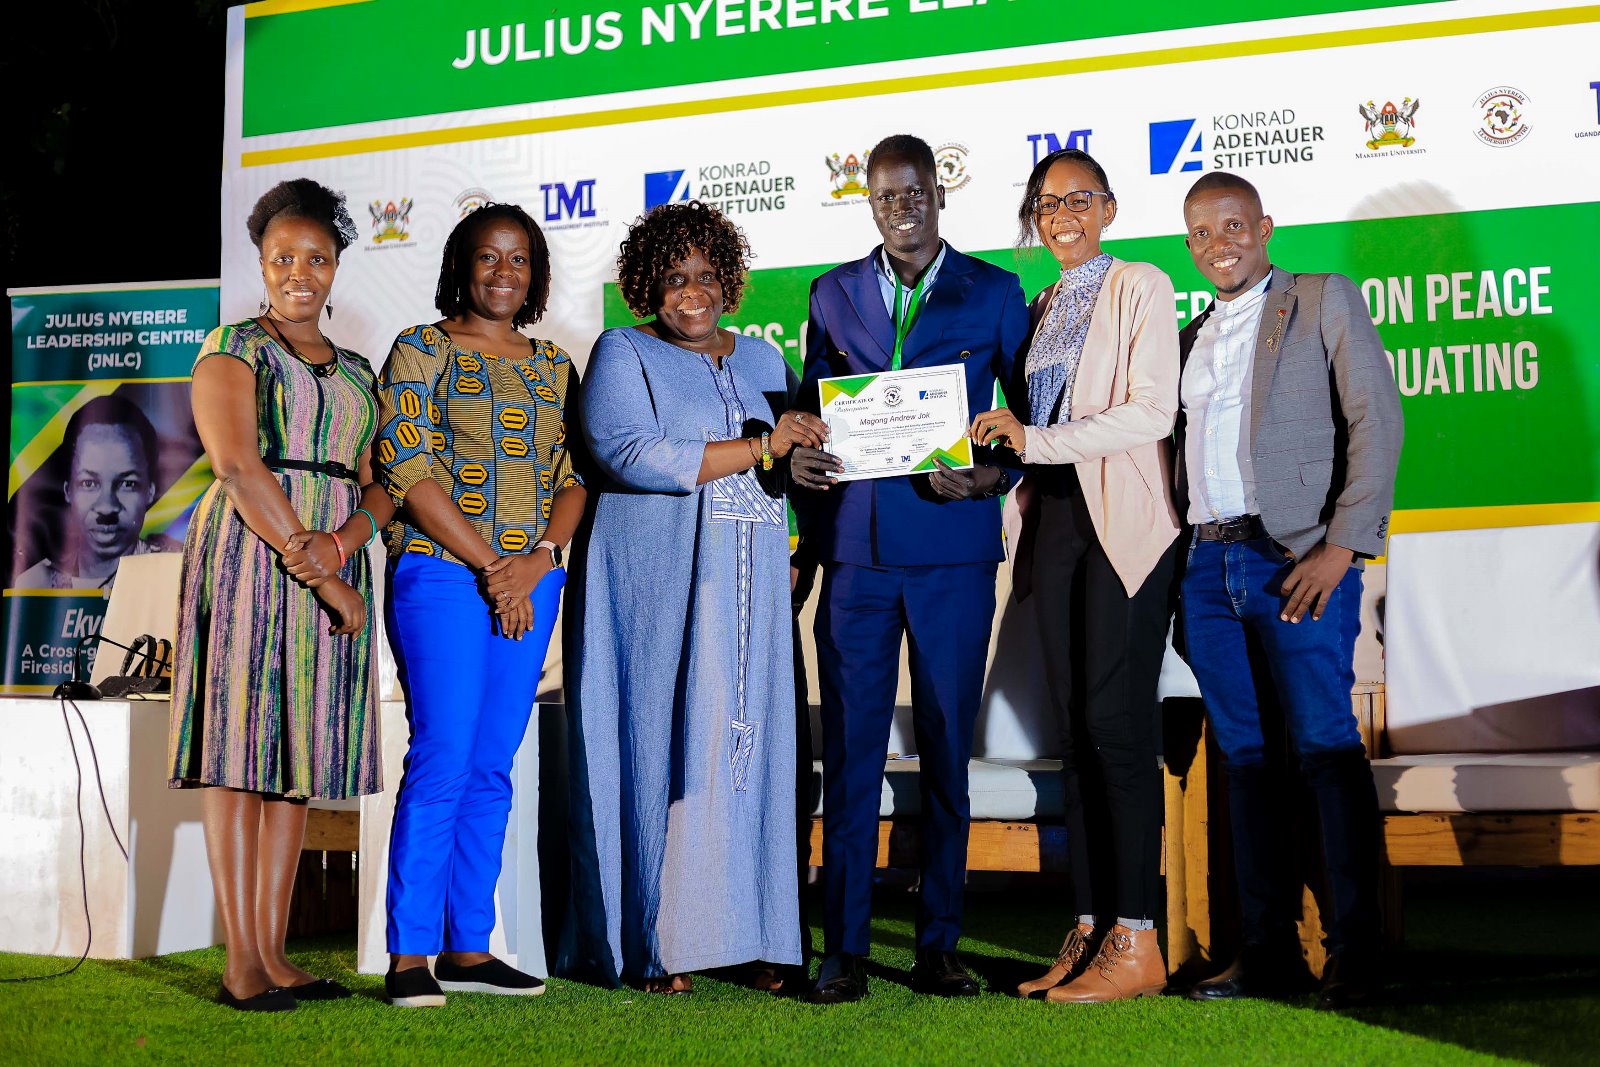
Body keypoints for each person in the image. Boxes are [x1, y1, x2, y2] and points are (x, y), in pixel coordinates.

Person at [560, 200, 825, 995]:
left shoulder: (767, 365)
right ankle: (650, 942)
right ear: (647, 284)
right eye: (673, 279)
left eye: (706, 276)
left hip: (750, 597)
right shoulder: (621, 351)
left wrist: (798, 548)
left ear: (730, 281)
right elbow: (627, 451)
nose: (691, 293)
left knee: (744, 760)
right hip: (658, 585)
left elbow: (791, 476)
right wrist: (758, 444)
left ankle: (751, 936)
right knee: (660, 752)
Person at [790, 134, 1030, 1004]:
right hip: (855, 554)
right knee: (849, 753)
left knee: (945, 752)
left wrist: (994, 473)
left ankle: (940, 943)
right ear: (871, 203)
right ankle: (844, 946)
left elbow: (1029, 426)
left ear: (939, 193)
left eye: (916, 192)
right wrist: (800, 471)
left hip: (953, 554)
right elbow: (814, 417)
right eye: (887, 196)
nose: (903, 207)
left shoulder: (997, 293)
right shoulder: (831, 292)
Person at [1174, 172, 1403, 1010]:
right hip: (1207, 568)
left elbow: (1377, 419)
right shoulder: (1192, 331)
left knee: (1325, 749)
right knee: (1244, 762)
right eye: (1201, 233)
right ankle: (1266, 952)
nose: (1218, 243)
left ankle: (1356, 953)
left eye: (1233, 225)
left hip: (1297, 556)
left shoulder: (1320, 298)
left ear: (1265, 226)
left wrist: (1344, 544)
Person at [168, 178, 391, 1012]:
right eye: (283, 258)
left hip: (328, 552)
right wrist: (323, 569)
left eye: (317, 258)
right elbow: (235, 465)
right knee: (239, 752)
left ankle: (278, 953)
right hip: (249, 558)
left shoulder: (362, 371)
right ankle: (241, 961)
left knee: (295, 759)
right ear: (261, 263)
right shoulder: (233, 347)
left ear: (337, 265)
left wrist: (345, 544)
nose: (300, 272)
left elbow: (380, 483)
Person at [969, 149, 1181, 1002]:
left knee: (1117, 727)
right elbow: (1026, 423)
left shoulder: (1142, 283)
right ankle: (1092, 929)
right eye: (1047, 203)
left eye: (1078, 199)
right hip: (1053, 520)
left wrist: (1035, 440)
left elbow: (1149, 410)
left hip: (1123, 524)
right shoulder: (1042, 303)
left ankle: (1139, 935)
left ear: (1110, 208)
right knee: (1075, 734)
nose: (1061, 215)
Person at [376, 202, 586, 1008]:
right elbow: (407, 465)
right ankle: (408, 954)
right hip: (441, 573)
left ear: (535, 274)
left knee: (495, 763)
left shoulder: (552, 366)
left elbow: (573, 478)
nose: (505, 273)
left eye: (520, 260)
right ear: (462, 265)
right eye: (489, 258)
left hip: (527, 583)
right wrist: (493, 563)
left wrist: (533, 562)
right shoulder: (421, 349)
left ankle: (469, 945)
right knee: (444, 752)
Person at [14, 396, 179, 589]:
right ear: (68, 491)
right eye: (89, 483)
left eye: (127, 483)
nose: (107, 507)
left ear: (150, 491)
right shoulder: (36, 584)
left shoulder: (174, 574)